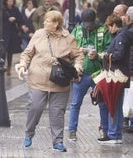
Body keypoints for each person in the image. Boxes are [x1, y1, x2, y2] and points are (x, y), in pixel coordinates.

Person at [15, 11, 83, 152]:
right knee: (35, 107)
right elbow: (28, 53)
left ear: (56, 23)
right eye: (44, 20)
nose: (44, 22)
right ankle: (29, 133)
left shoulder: (69, 38)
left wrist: (78, 67)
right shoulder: (39, 34)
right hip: (38, 79)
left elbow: (78, 56)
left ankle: (57, 141)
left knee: (57, 112)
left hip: (60, 81)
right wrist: (23, 65)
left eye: (48, 20)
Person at [68, 9, 112, 141]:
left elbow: (110, 50)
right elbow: (68, 49)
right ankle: (72, 130)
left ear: (94, 21)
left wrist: (98, 55)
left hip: (98, 73)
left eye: (90, 24)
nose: (88, 26)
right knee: (75, 103)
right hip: (81, 73)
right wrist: (77, 53)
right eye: (85, 24)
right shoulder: (77, 30)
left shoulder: (103, 31)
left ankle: (104, 130)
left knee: (103, 103)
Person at [97, 13, 131, 144]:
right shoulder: (121, 35)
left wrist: (105, 56)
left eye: (109, 27)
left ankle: (114, 135)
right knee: (115, 103)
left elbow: (118, 55)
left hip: (118, 75)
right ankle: (114, 133)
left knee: (115, 104)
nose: (108, 30)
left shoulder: (121, 36)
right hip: (119, 74)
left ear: (114, 25)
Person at [2, 0, 27, 75]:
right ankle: (2, 66)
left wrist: (15, 19)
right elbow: (0, 20)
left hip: (13, 32)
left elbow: (20, 19)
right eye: (9, 1)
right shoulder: (3, 9)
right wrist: (8, 19)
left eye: (12, 1)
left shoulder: (15, 9)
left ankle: (9, 67)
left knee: (10, 51)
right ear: (6, 1)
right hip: (4, 32)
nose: (11, 2)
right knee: (3, 50)